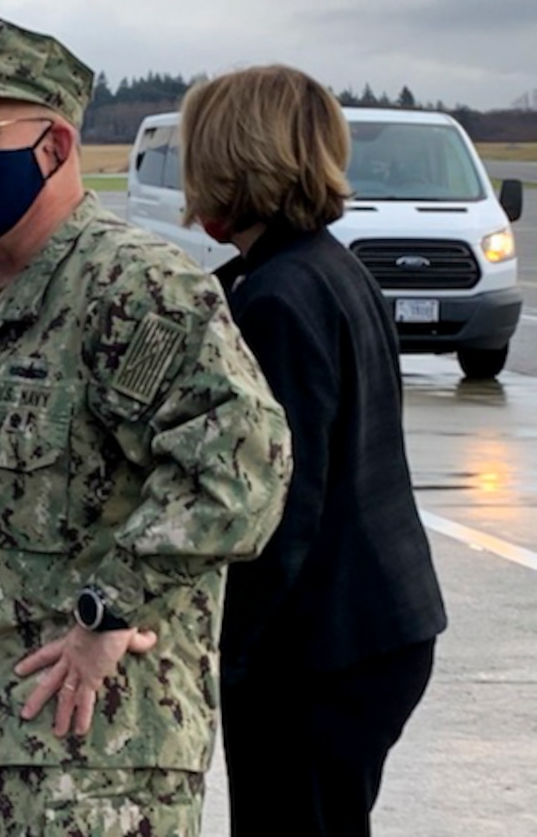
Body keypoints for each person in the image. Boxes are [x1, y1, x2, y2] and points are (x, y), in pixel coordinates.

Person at [0, 11, 293, 835]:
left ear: (57, 146)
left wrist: (108, 611)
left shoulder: (130, 287)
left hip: (95, 764)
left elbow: (244, 467)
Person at [180, 65, 447, 837]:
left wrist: (222, 651)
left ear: (232, 160)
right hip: (376, 628)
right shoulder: (325, 266)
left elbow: (277, 505)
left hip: (322, 648)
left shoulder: (277, 298)